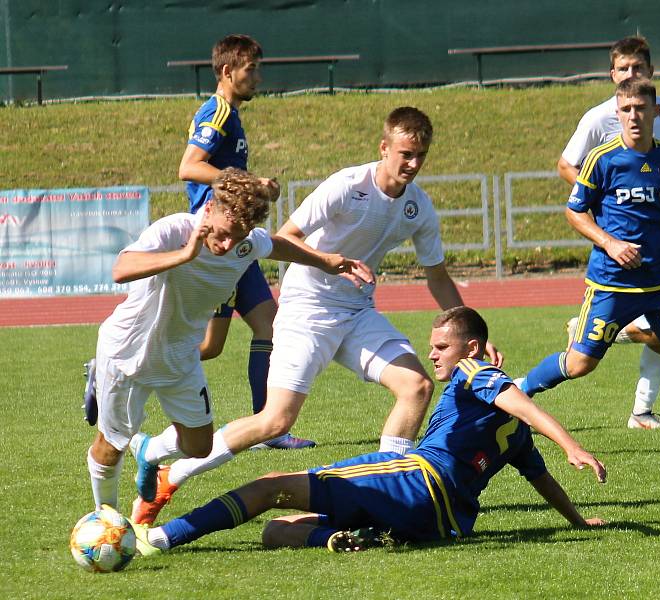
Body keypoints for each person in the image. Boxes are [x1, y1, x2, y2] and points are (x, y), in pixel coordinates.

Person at [128, 106, 504, 525]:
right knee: (275, 421)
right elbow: (285, 236)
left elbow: (437, 277)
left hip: (357, 311)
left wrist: (474, 327)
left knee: (415, 386)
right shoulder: (346, 186)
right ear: (384, 148)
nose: (413, 164)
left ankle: (381, 489)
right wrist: (329, 262)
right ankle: (171, 470)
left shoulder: (418, 207)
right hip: (306, 307)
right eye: (405, 154)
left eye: (420, 156)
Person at [131, 306, 606, 555]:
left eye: (442, 346)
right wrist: (578, 522)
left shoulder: (475, 374)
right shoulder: (512, 433)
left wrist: (572, 444)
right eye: (432, 346)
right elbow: (539, 479)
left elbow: (518, 400)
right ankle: (338, 538)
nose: (435, 354)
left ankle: (159, 538)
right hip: (444, 524)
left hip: (416, 480)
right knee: (276, 532)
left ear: (472, 348)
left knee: (267, 487)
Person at [86, 168, 371, 512]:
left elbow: (276, 244)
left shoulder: (246, 242)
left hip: (180, 357)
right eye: (222, 235)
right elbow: (121, 268)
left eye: (238, 238)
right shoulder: (175, 229)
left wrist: (325, 261)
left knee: (199, 445)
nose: (227, 246)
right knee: (111, 445)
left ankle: (150, 451)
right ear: (208, 210)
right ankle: (105, 518)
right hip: (128, 352)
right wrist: (184, 255)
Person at [82, 34, 311, 449]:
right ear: (228, 72)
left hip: (234, 241)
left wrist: (254, 191)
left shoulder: (232, 116)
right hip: (213, 247)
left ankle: (267, 427)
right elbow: (189, 167)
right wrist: (248, 182)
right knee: (209, 343)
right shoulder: (218, 112)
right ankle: (109, 369)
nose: (258, 77)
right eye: (251, 69)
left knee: (255, 329)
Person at [518, 79, 660, 456]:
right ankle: (519, 390)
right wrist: (609, 243)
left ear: (654, 111)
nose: (633, 116)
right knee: (580, 364)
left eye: (640, 109)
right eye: (626, 110)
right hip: (612, 282)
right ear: (617, 112)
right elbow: (574, 211)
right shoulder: (602, 159)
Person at [556, 36, 660, 431]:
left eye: (637, 68)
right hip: (617, 239)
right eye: (623, 69)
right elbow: (568, 166)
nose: (631, 75)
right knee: (648, 335)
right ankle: (614, 331)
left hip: (658, 238)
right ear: (612, 74)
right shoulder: (598, 118)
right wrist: (609, 201)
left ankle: (642, 411)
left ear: (651, 73)